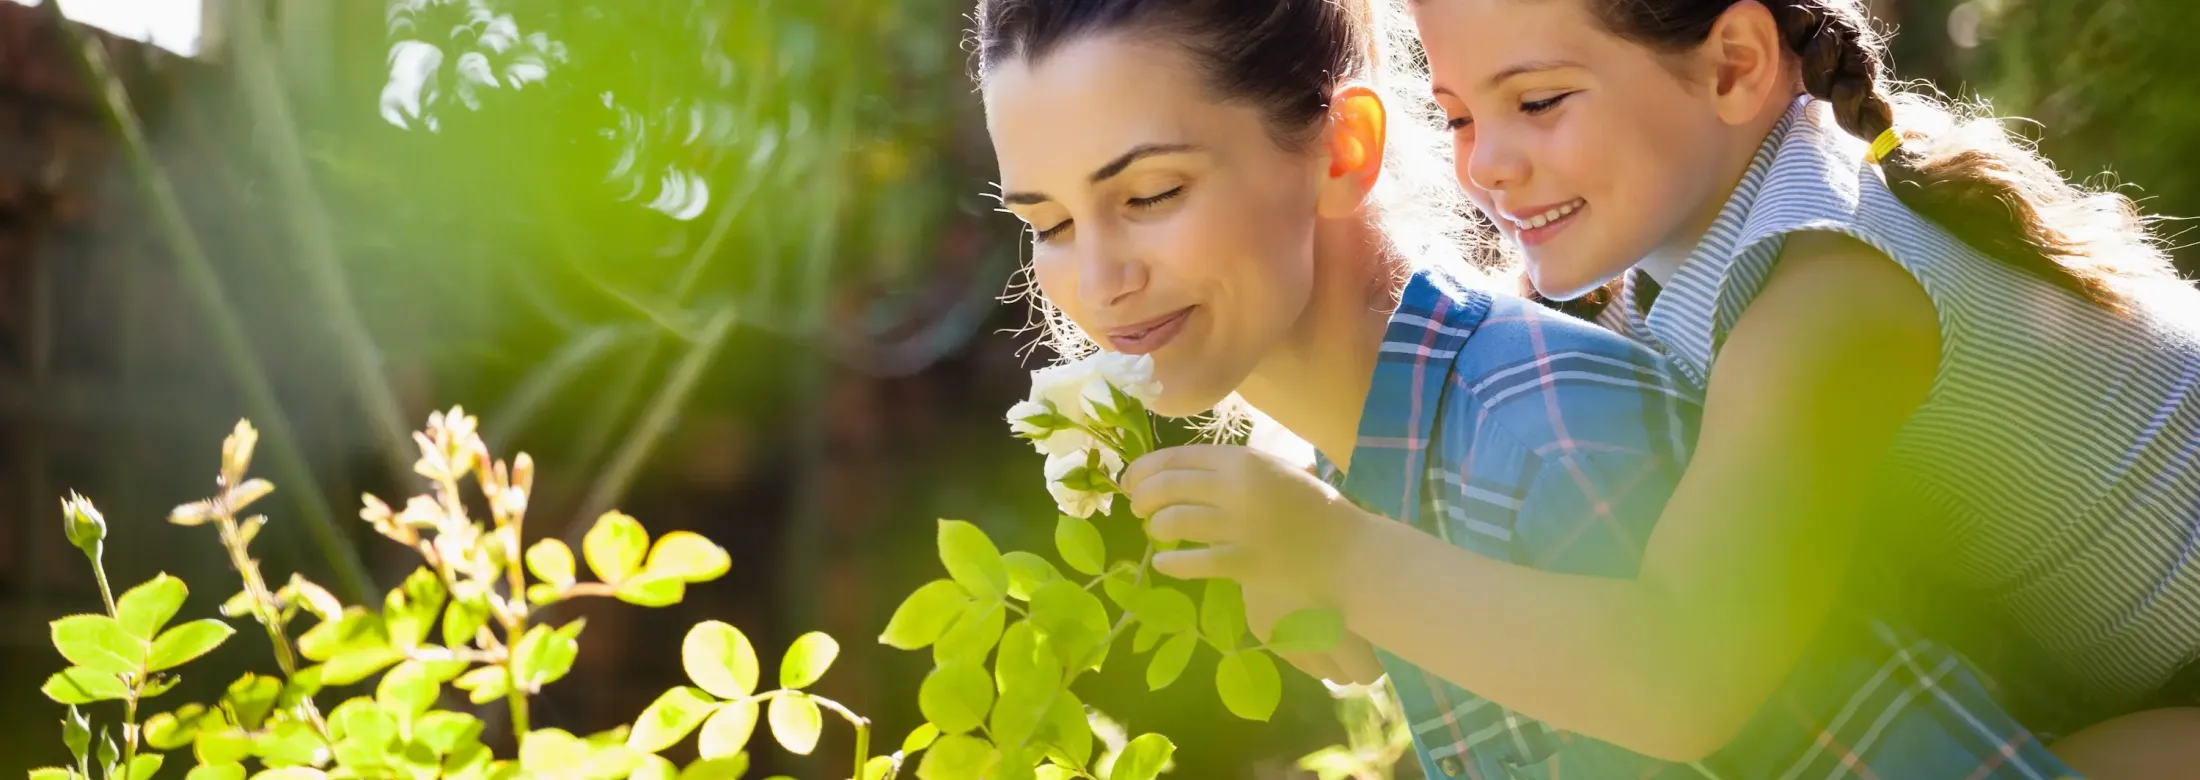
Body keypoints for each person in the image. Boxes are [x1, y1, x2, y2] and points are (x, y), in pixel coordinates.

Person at [969, 0, 2072, 776]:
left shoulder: (1539, 433)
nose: (1096, 279)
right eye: (1048, 225)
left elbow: (1684, 686)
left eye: (1150, 191)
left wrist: (1336, 557)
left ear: (1340, 152)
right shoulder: (1361, 479)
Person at [1399, 0, 2200, 774]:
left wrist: (1337, 555)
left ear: (1733, 67)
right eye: (1459, 118)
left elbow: (1683, 673)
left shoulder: (1822, 294)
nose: (1486, 166)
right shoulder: (1695, 249)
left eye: (1537, 102)